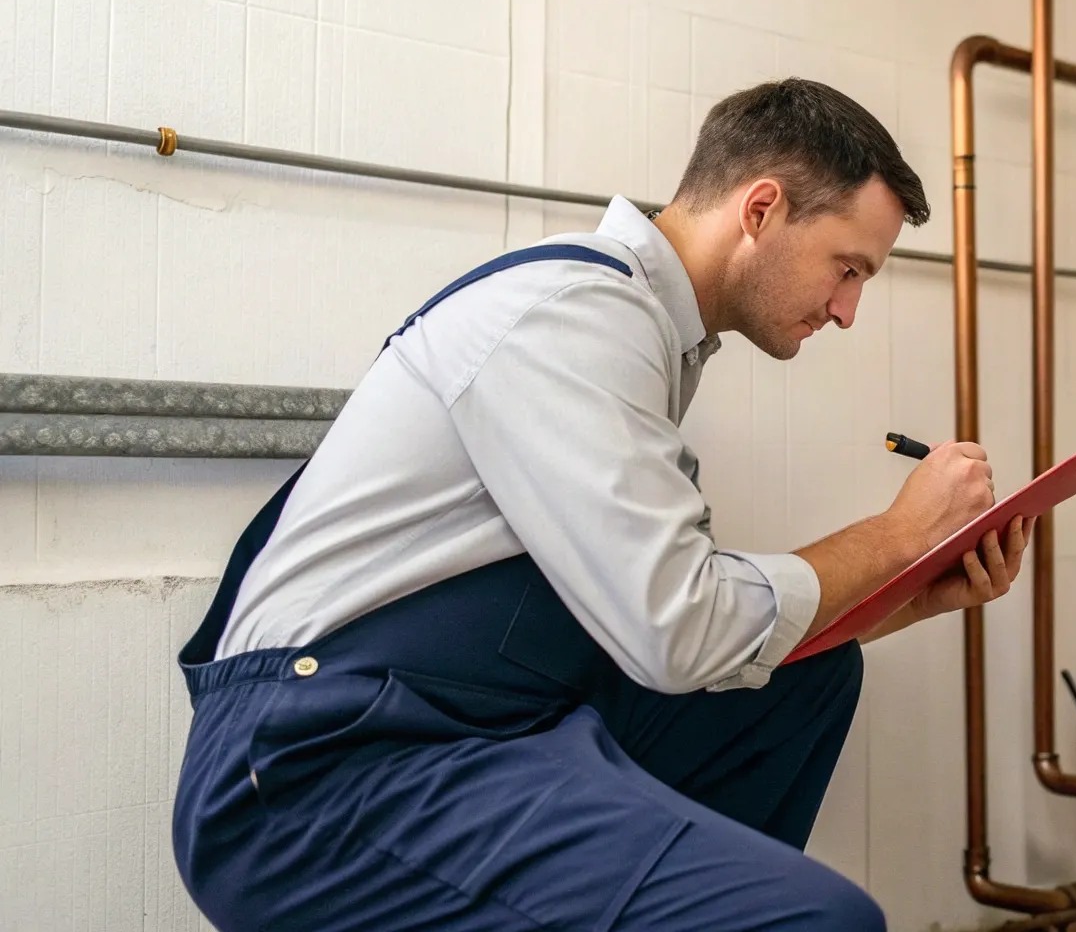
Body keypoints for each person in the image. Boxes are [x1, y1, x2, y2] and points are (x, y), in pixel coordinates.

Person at [170, 78, 1032, 931]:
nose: (848, 310)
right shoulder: (576, 315)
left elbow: (685, 632)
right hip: (319, 761)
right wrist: (895, 535)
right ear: (762, 209)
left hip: (474, 723)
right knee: (821, 920)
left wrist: (912, 589)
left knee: (806, 682)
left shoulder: (646, 336)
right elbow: (679, 627)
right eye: (849, 269)